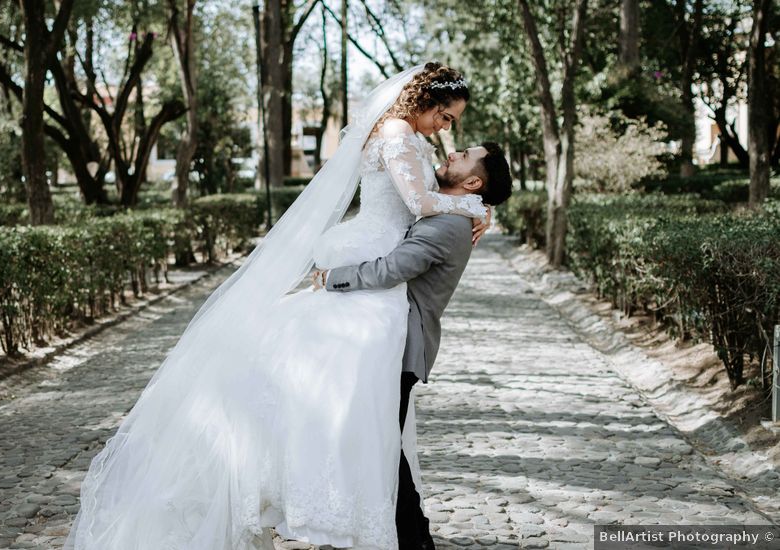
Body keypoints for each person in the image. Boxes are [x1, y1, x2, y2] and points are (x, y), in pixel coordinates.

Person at [63, 62, 508, 550]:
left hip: (379, 286)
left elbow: (425, 209)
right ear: (426, 102)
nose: (448, 129)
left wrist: (476, 206)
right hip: (368, 275)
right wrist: (474, 207)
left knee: (361, 414)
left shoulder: (417, 141)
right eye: (446, 117)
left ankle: (364, 516)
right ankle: (332, 508)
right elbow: (422, 205)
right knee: (341, 408)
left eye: (453, 125)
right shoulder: (400, 133)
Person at [313, 142, 514, 549]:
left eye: (463, 156)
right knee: (382, 439)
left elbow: (392, 269)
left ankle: (415, 537)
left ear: (473, 181)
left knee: (386, 444)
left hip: (401, 344)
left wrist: (331, 277)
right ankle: (404, 531)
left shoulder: (447, 226)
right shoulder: (450, 211)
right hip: (388, 339)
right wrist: (480, 209)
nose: (453, 152)